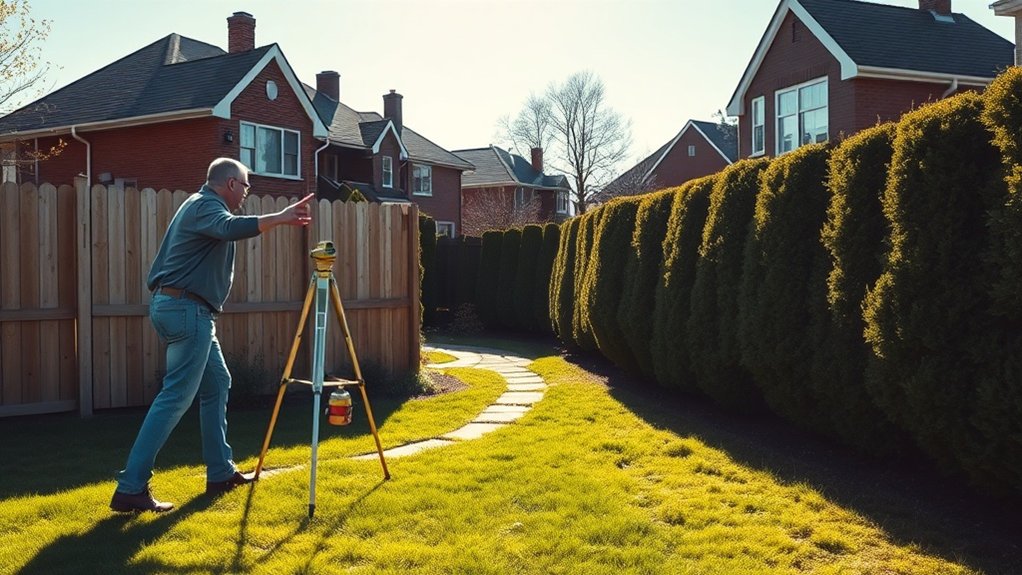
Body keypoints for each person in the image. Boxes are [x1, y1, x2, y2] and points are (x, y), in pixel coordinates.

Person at [110, 157, 314, 513]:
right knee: (174, 397)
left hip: (185, 309)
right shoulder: (206, 206)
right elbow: (230, 229)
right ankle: (131, 487)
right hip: (186, 311)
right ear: (230, 183)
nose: (248, 192)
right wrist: (280, 218)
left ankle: (220, 472)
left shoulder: (197, 206)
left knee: (217, 382)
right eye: (246, 185)